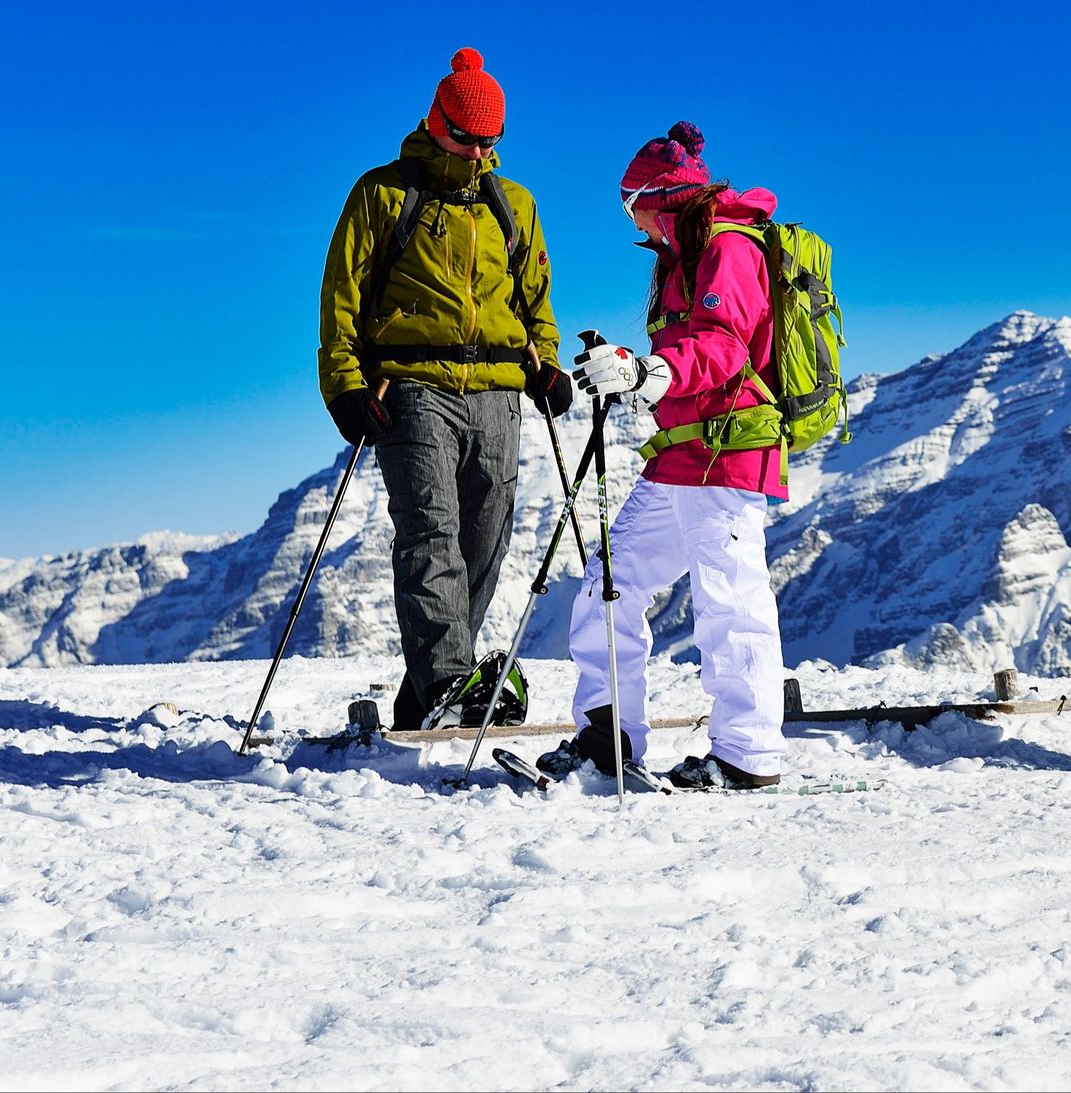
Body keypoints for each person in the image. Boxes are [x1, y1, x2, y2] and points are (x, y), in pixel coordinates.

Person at [317, 48, 569, 730]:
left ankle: (426, 691)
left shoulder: (514, 205)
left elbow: (535, 301)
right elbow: (341, 299)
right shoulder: (381, 194)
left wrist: (545, 363)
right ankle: (449, 681)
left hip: (498, 393)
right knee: (430, 530)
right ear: (436, 122)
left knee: (486, 540)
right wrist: (345, 386)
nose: (480, 151)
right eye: (466, 137)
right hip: (412, 386)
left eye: (491, 139)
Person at [537, 122, 792, 792]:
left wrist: (649, 371)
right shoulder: (680, 255)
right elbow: (686, 349)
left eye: (630, 204)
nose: (631, 221)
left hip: (729, 452)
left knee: (729, 598)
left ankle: (747, 755)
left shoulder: (728, 246)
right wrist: (629, 367)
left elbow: (724, 345)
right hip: (681, 454)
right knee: (610, 580)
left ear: (656, 198)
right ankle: (608, 738)